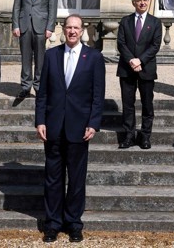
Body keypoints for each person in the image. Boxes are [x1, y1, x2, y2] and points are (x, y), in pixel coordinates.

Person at [35, 15, 106, 243]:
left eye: (76, 28)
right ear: (63, 30)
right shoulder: (51, 55)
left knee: (76, 180)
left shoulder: (94, 57)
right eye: (69, 28)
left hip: (79, 127)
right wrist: (40, 120)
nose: (72, 31)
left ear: (82, 30)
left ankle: (74, 223)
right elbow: (43, 93)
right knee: (53, 179)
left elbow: (98, 95)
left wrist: (94, 123)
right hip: (54, 126)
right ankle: (53, 224)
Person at [116, 0, 161, 149]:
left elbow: (155, 45)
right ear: (133, 3)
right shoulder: (125, 21)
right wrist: (131, 60)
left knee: (147, 104)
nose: (142, 3)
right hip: (127, 69)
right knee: (128, 104)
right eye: (139, 0)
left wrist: (140, 60)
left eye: (145, 0)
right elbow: (121, 43)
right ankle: (129, 136)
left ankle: (145, 136)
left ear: (148, 2)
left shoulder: (155, 22)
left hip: (146, 68)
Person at [12, 0, 58, 101]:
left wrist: (50, 27)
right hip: (24, 26)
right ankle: (25, 87)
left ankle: (39, 87)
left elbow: (52, 8)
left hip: (41, 27)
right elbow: (16, 7)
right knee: (25, 57)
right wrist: (15, 25)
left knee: (40, 59)